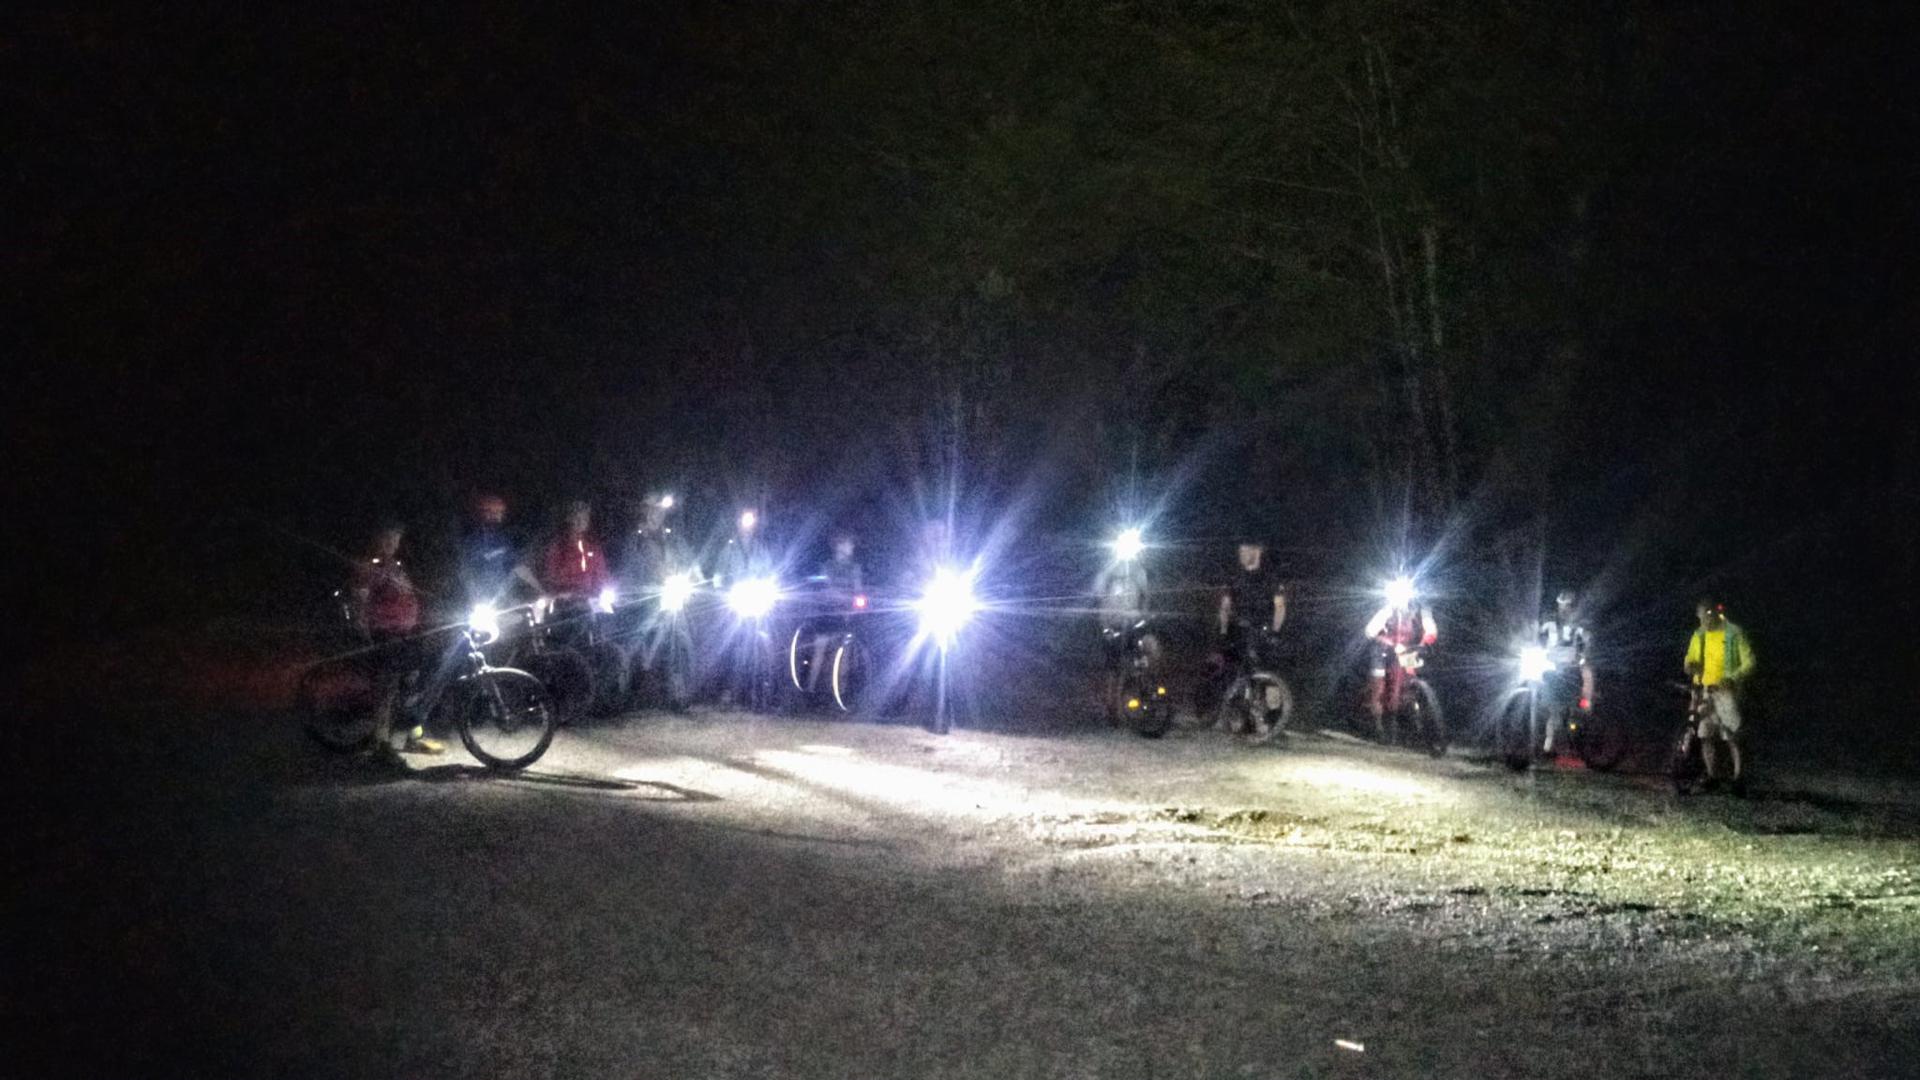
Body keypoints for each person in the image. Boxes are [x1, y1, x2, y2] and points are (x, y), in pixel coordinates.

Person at [346, 521, 444, 757]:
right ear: (377, 539)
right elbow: (360, 600)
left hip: (404, 633)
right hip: (385, 633)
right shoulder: (371, 566)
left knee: (412, 681)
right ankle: (380, 745)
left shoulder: (395, 565)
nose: (392, 543)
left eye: (396, 538)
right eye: (387, 538)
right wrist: (363, 630)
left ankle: (413, 736)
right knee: (387, 688)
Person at [1681, 597, 1756, 795]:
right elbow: (1690, 659)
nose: (1704, 621)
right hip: (1705, 691)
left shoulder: (1733, 632)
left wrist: (1732, 678)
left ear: (1715, 612)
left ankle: (1739, 778)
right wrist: (1689, 665)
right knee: (1705, 735)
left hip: (1727, 693)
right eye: (1700, 617)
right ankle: (1711, 776)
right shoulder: (1699, 635)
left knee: (1732, 736)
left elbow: (1749, 662)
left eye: (1706, 615)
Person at [1364, 576, 1437, 740]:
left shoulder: (1421, 608)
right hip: (1383, 649)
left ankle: (1413, 716)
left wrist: (1426, 642)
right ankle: (1378, 723)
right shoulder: (1388, 608)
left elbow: (1430, 627)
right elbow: (1369, 631)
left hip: (1406, 650)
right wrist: (1388, 643)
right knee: (1378, 684)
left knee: (1409, 678)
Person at [1094, 538, 1153, 724]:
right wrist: (1105, 625)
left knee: (1140, 661)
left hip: (1133, 623)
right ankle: (1111, 707)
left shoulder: (1139, 571)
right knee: (1114, 669)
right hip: (1113, 624)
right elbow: (1100, 596)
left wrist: (1144, 616)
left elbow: (1146, 597)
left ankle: (1135, 701)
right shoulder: (1108, 571)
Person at [804, 531, 866, 692]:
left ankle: (838, 691)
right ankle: (810, 689)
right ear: (839, 546)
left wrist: (856, 605)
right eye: (848, 544)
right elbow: (826, 588)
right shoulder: (827, 565)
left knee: (843, 652)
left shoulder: (855, 567)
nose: (851, 547)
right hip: (827, 613)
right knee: (820, 649)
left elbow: (858, 590)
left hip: (845, 614)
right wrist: (842, 598)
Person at [1538, 588, 1596, 755]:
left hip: (1570, 668)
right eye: (1561, 606)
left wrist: (1584, 655)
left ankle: (1573, 735)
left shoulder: (1578, 623)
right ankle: (1548, 745)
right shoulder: (1549, 620)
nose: (1564, 609)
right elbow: (1536, 634)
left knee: (1573, 704)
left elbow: (1588, 639)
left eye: (1568, 606)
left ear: (1573, 607)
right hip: (1551, 666)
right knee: (1552, 707)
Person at [458, 493, 541, 607]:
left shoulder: (502, 539)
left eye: (500, 513)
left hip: (502, 598)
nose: (498, 516)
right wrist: (475, 600)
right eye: (495, 512)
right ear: (484, 513)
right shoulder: (473, 542)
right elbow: (467, 573)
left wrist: (540, 589)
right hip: (481, 601)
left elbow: (519, 567)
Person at [533, 499, 613, 604]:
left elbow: (602, 574)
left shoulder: (592, 547)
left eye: (584, 518)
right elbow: (551, 575)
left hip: (590, 599)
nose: (580, 522)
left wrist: (606, 589)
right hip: (564, 600)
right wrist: (564, 591)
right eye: (577, 518)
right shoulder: (559, 546)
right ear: (569, 519)